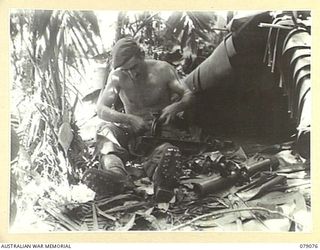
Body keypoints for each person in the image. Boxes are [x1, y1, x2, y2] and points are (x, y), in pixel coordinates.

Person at [82, 37, 195, 202]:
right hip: (131, 133)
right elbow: (101, 109)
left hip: (159, 132)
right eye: (126, 70)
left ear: (142, 55)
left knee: (168, 152)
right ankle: (117, 176)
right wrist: (129, 119)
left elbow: (189, 94)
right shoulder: (117, 77)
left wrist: (175, 107)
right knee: (105, 131)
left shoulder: (163, 69)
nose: (131, 73)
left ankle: (160, 181)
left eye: (134, 67)